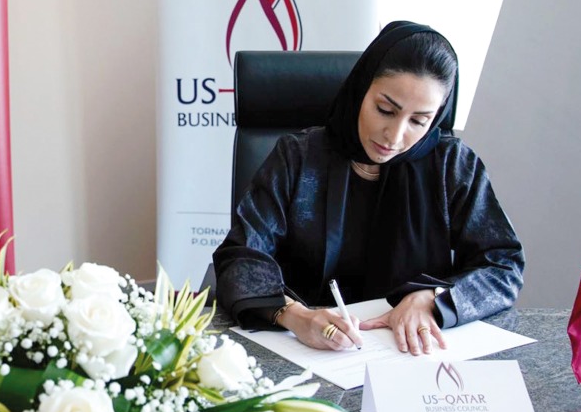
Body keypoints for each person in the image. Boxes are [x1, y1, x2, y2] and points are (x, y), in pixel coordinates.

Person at [214, 21, 523, 355]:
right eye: (385, 110)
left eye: (418, 121)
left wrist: (431, 299)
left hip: (411, 353)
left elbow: (502, 264)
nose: (394, 135)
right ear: (361, 89)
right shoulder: (298, 158)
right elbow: (241, 256)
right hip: (308, 349)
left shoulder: (452, 166)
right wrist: (294, 316)